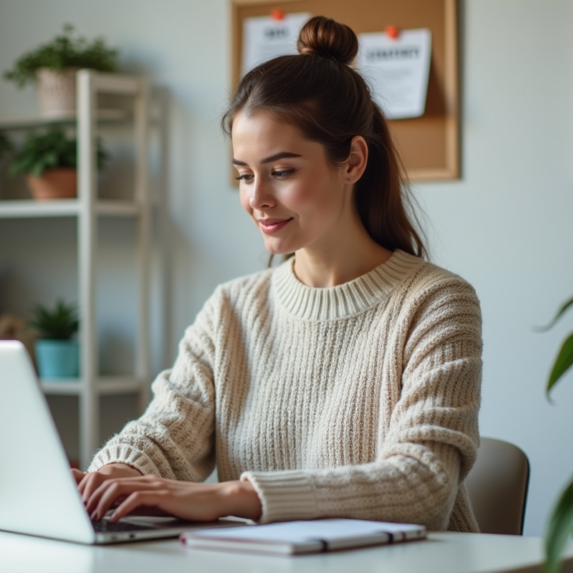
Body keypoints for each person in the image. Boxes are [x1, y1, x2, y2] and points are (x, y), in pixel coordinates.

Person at [73, 16, 482, 532]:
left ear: (353, 160)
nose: (257, 199)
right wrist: (114, 477)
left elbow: (421, 486)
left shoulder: (436, 302)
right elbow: (165, 432)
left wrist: (229, 496)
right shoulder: (232, 307)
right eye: (244, 174)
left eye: (282, 171)